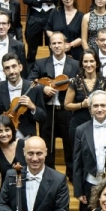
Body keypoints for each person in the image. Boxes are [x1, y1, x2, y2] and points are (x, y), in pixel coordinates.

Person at [30, 33, 80, 176]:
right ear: (50, 46)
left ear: (65, 45)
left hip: (67, 110)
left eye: (60, 43)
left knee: (70, 144)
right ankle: (50, 174)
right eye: (54, 43)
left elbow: (81, 84)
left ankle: (71, 175)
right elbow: (31, 82)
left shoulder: (75, 64)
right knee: (47, 145)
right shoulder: (40, 63)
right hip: (47, 110)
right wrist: (43, 88)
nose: (57, 46)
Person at [0, 54, 42, 139]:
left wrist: (33, 107)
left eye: (14, 66)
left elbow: (43, 117)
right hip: (3, 138)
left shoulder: (34, 88)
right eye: (7, 68)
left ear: (20, 67)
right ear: (4, 71)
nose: (11, 71)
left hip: (26, 137)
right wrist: (1, 129)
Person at [65, 50, 106, 138]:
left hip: (99, 123)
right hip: (78, 124)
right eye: (85, 61)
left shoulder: (105, 82)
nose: (88, 64)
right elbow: (67, 105)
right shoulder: (75, 81)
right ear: (82, 64)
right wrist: (82, 105)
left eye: (91, 61)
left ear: (97, 63)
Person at [0, 115, 26, 182]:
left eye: (7, 130)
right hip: (3, 187)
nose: (4, 134)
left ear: (12, 130)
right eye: (0, 131)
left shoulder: (23, 144)